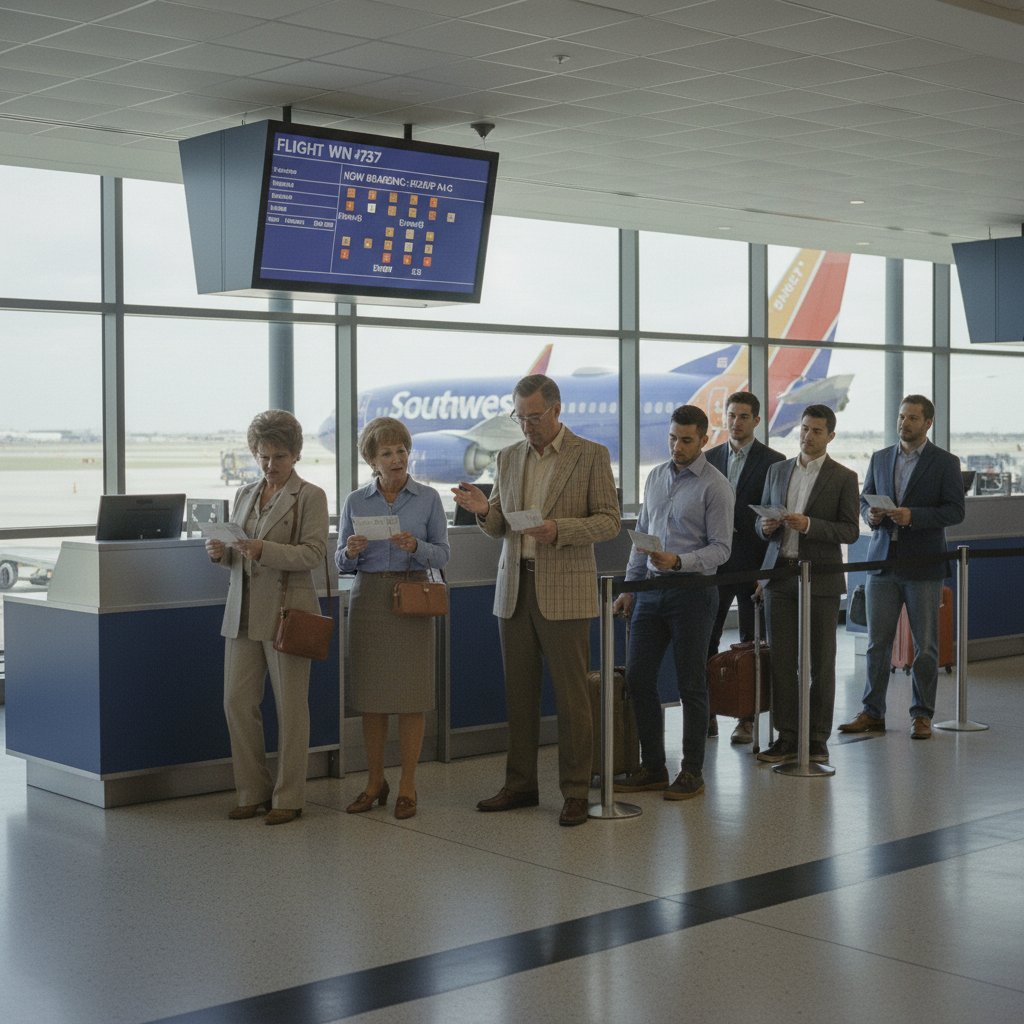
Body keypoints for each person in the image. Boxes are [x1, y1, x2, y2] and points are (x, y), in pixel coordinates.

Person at [453, 374, 619, 827]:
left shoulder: (590, 455)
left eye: (535, 417)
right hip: (515, 589)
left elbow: (609, 521)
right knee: (518, 696)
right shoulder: (508, 458)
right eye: (520, 418)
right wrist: (483, 511)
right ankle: (521, 784)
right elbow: (501, 527)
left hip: (565, 589)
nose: (527, 426)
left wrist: (559, 531)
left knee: (572, 698)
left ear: (557, 410)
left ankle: (576, 791)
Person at [206, 409, 329, 826]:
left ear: (295, 454)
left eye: (278, 456)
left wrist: (265, 550)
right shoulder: (244, 494)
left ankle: (289, 796)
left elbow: (314, 554)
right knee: (237, 702)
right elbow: (238, 551)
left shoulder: (310, 496)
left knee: (291, 707)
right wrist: (221, 555)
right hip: (241, 611)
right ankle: (252, 791)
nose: (269, 465)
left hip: (285, 612)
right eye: (262, 455)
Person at [612, 405, 734, 800]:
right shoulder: (656, 477)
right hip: (652, 589)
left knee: (690, 683)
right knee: (639, 677)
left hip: (693, 592)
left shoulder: (715, 485)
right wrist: (631, 588)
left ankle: (692, 772)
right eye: (672, 438)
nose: (677, 447)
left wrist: (680, 561)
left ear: (703, 440)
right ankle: (653, 767)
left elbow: (722, 550)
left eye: (685, 440)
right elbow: (643, 534)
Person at [338, 417, 450, 820]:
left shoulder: (428, 499)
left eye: (402, 450)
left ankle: (407, 785)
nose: (397, 458)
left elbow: (443, 554)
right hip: (369, 598)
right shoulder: (355, 501)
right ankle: (374, 782)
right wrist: (349, 551)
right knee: (372, 699)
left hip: (413, 595)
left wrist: (416, 545)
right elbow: (339, 561)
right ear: (372, 460)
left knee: (410, 698)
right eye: (387, 452)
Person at [839, 395, 965, 740]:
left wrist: (915, 517)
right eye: (901, 416)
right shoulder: (880, 458)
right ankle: (871, 712)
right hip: (883, 561)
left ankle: (922, 714)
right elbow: (866, 497)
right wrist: (871, 514)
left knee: (926, 646)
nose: (904, 423)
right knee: (876, 644)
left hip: (923, 564)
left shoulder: (944, 462)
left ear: (928, 423)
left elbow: (955, 511)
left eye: (912, 418)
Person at [755, 404, 859, 765]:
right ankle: (786, 734)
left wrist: (810, 524)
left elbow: (850, 530)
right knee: (783, 661)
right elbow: (761, 521)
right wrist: (765, 527)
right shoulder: (777, 470)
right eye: (803, 429)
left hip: (821, 577)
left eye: (816, 430)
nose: (807, 436)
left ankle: (816, 737)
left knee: (821, 663)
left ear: (830, 435)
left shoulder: (843, 477)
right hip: (780, 574)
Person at [704, 392, 785, 744]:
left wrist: (766, 573)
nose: (736, 422)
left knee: (751, 643)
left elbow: (775, 519)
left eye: (743, 416)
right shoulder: (708, 459)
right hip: (713, 563)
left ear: (756, 421)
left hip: (752, 564)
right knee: (707, 637)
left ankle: (746, 718)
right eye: (731, 415)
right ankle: (707, 711)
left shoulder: (774, 462)